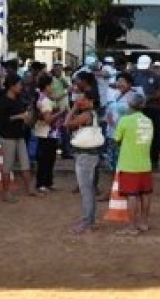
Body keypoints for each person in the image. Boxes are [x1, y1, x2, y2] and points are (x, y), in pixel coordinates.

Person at [65, 76, 103, 234]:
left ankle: (87, 222)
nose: (81, 101)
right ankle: (90, 220)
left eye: (84, 99)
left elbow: (67, 123)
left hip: (85, 155)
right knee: (89, 189)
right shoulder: (92, 114)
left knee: (86, 190)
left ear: (91, 101)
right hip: (91, 154)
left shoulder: (87, 115)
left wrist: (74, 108)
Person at [114, 92, 154, 235]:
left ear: (130, 104)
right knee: (145, 194)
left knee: (132, 195)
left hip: (129, 164)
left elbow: (116, 139)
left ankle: (132, 226)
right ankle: (144, 223)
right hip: (145, 163)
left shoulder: (125, 120)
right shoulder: (148, 121)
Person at [0, 73, 39, 202]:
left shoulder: (18, 98)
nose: (21, 86)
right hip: (8, 137)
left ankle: (30, 189)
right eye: (19, 84)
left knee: (25, 163)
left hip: (19, 135)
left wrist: (26, 118)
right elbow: (2, 119)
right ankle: (6, 193)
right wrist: (19, 116)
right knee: (7, 166)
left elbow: (23, 116)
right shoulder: (4, 100)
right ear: (11, 86)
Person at [132, 55, 160, 170]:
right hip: (139, 109)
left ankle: (154, 160)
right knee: (139, 134)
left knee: (155, 135)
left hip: (153, 109)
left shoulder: (156, 77)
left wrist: (149, 97)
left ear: (150, 66)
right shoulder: (134, 75)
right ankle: (139, 158)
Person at [34, 75, 64, 192]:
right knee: (46, 159)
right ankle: (42, 183)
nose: (52, 87)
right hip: (47, 133)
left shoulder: (42, 98)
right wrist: (60, 113)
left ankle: (46, 182)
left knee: (48, 159)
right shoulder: (46, 101)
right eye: (51, 85)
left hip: (46, 133)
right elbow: (48, 119)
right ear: (47, 86)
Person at [106, 73, 136, 172]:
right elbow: (109, 110)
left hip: (126, 132)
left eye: (122, 81)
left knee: (124, 159)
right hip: (112, 131)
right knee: (113, 159)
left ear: (129, 84)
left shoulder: (134, 96)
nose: (119, 84)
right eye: (118, 81)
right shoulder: (115, 94)